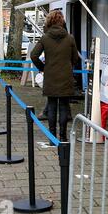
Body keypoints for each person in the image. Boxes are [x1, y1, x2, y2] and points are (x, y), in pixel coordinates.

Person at [30, 10, 79, 143]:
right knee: (64, 106)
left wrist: (43, 68)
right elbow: (76, 58)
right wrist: (68, 65)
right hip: (66, 77)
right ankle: (63, 137)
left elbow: (33, 55)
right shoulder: (70, 38)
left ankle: (52, 138)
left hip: (50, 76)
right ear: (62, 21)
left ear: (49, 21)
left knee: (51, 107)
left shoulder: (45, 38)